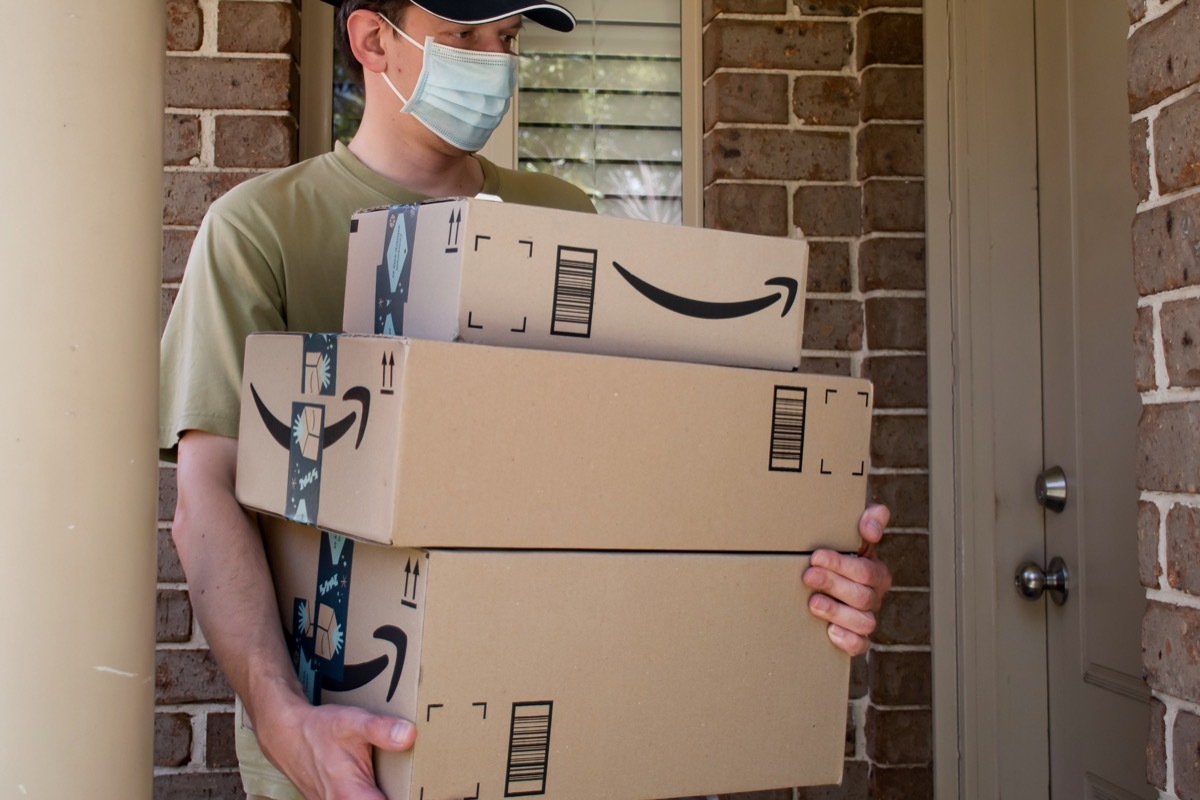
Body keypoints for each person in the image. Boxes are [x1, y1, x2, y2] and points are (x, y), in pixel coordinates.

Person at [159, 1, 894, 798]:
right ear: (373, 39)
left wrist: (803, 562)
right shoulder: (261, 229)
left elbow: (644, 466)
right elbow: (207, 497)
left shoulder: (567, 220)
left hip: (553, 751)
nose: (494, 64)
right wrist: (281, 719)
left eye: (506, 39)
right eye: (463, 38)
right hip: (346, 763)